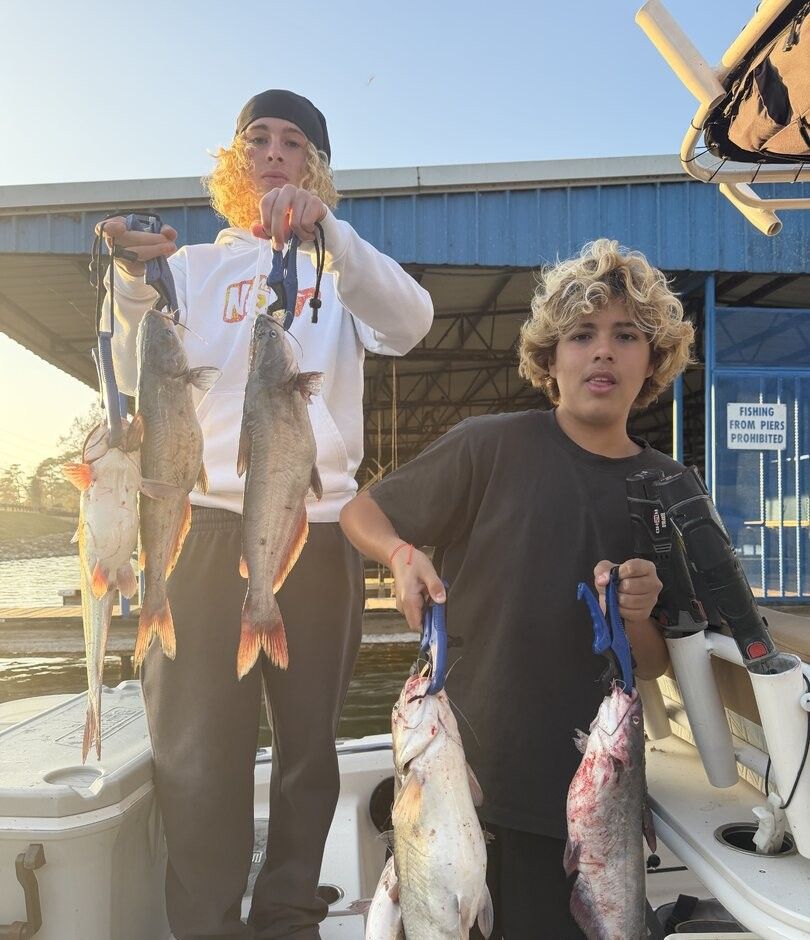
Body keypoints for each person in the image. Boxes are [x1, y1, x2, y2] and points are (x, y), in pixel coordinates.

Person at [99, 89, 433, 940]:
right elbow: (131, 351)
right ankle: (206, 924)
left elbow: (412, 322)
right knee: (196, 751)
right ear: (235, 160)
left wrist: (332, 235)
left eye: (294, 143)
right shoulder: (198, 266)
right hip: (201, 526)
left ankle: (288, 914)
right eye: (259, 139)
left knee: (307, 748)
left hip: (313, 528)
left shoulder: (340, 266)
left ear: (314, 167)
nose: (275, 152)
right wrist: (132, 271)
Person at [339, 238, 695, 938]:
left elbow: (653, 662)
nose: (603, 352)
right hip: (458, 789)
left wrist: (638, 613)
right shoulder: (489, 445)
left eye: (627, 336)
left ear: (653, 360)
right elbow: (362, 510)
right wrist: (401, 552)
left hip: (587, 810)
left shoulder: (672, 491)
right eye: (582, 334)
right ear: (549, 357)